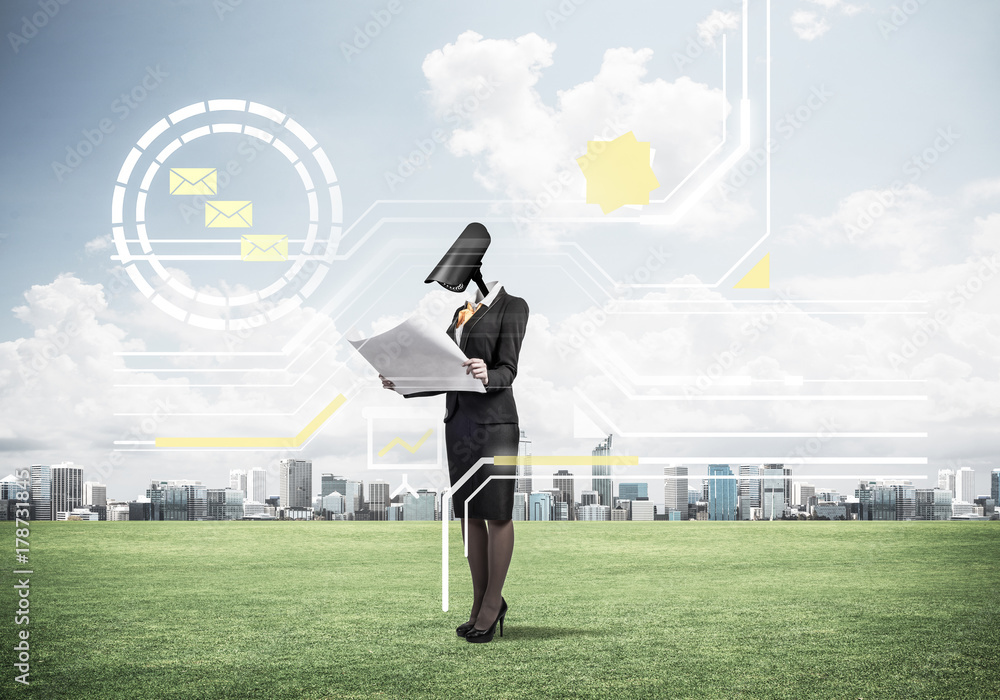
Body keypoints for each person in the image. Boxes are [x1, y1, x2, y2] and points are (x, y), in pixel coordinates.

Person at [379, 222, 529, 644]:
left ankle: (491, 603)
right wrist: (404, 383)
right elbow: (445, 371)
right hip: (459, 423)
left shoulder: (513, 306)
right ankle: (481, 602)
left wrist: (488, 372)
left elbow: (508, 370)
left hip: (496, 423)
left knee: (496, 514)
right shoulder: (459, 314)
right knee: (468, 516)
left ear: (474, 266)